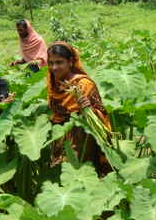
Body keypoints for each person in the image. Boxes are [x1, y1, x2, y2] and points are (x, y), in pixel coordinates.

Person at [46, 41, 111, 169]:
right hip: (59, 135)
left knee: (80, 171)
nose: (54, 68)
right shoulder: (54, 85)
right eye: (51, 63)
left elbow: (101, 112)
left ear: (70, 61)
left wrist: (89, 108)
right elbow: (54, 112)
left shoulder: (84, 85)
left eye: (59, 62)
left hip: (81, 137)